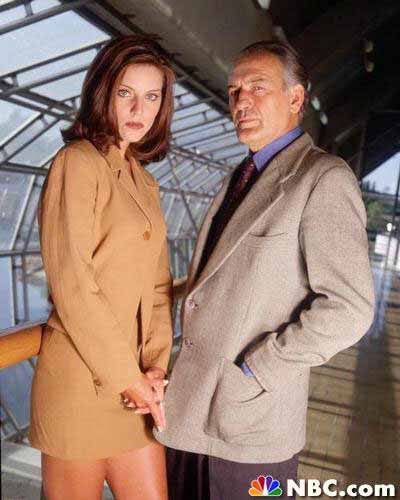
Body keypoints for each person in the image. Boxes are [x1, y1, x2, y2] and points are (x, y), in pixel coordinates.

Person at [155, 40, 375, 499]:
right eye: (234, 91)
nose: (241, 101)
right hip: (189, 417)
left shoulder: (323, 179)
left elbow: (350, 309)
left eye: (258, 87)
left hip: (249, 429)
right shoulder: (241, 176)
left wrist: (257, 370)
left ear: (295, 98)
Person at [29, 35, 175, 500]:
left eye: (152, 96)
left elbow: (158, 286)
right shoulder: (76, 164)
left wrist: (155, 368)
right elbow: (73, 284)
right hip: (81, 383)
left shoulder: (144, 181)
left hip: (136, 388)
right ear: (102, 92)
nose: (139, 109)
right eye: (125, 92)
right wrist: (128, 379)